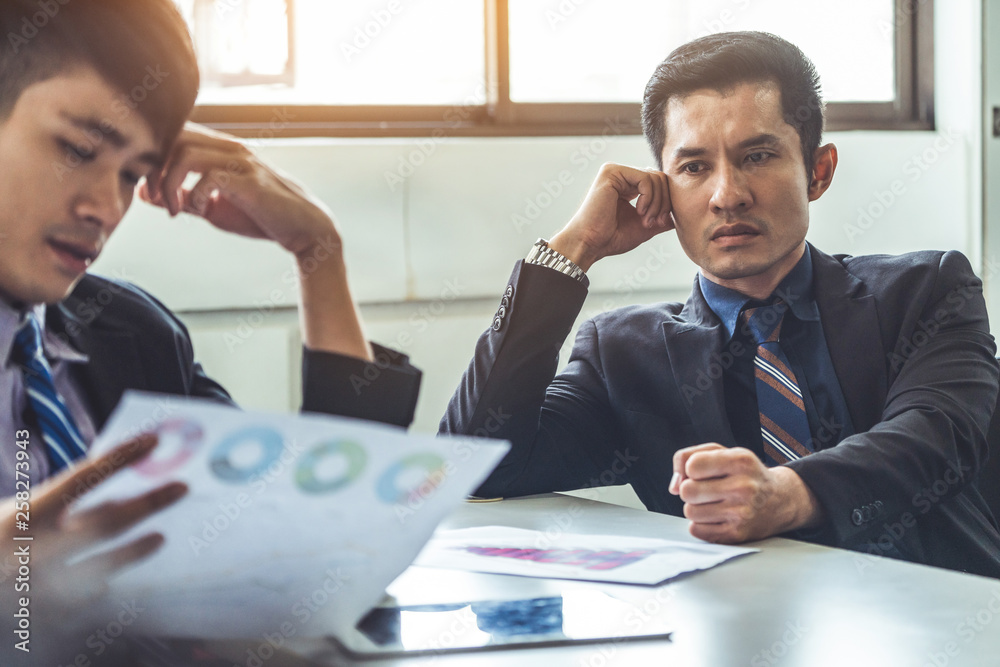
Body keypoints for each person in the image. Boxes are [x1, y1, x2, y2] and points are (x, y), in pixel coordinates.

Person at [442, 31, 1000, 578]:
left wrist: (786, 494)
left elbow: (935, 437)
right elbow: (472, 468)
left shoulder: (926, 291)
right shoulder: (624, 354)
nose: (727, 194)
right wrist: (571, 251)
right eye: (693, 167)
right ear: (662, 187)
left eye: (757, 156)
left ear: (818, 171)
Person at [0, 0, 420, 659]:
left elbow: (325, 543)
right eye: (79, 150)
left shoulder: (133, 334)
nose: (107, 207)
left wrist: (318, 252)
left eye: (134, 174)